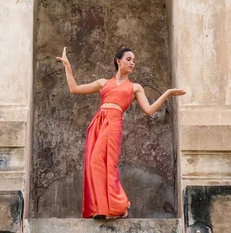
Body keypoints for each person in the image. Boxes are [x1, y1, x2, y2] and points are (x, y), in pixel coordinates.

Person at [56, 46, 186, 219]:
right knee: (93, 163)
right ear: (119, 61)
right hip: (98, 123)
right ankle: (102, 209)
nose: (133, 63)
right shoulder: (103, 83)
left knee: (107, 163)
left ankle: (120, 206)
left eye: (134, 61)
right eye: (129, 59)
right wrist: (67, 66)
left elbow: (149, 110)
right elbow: (74, 88)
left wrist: (167, 93)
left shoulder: (135, 88)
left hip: (114, 123)